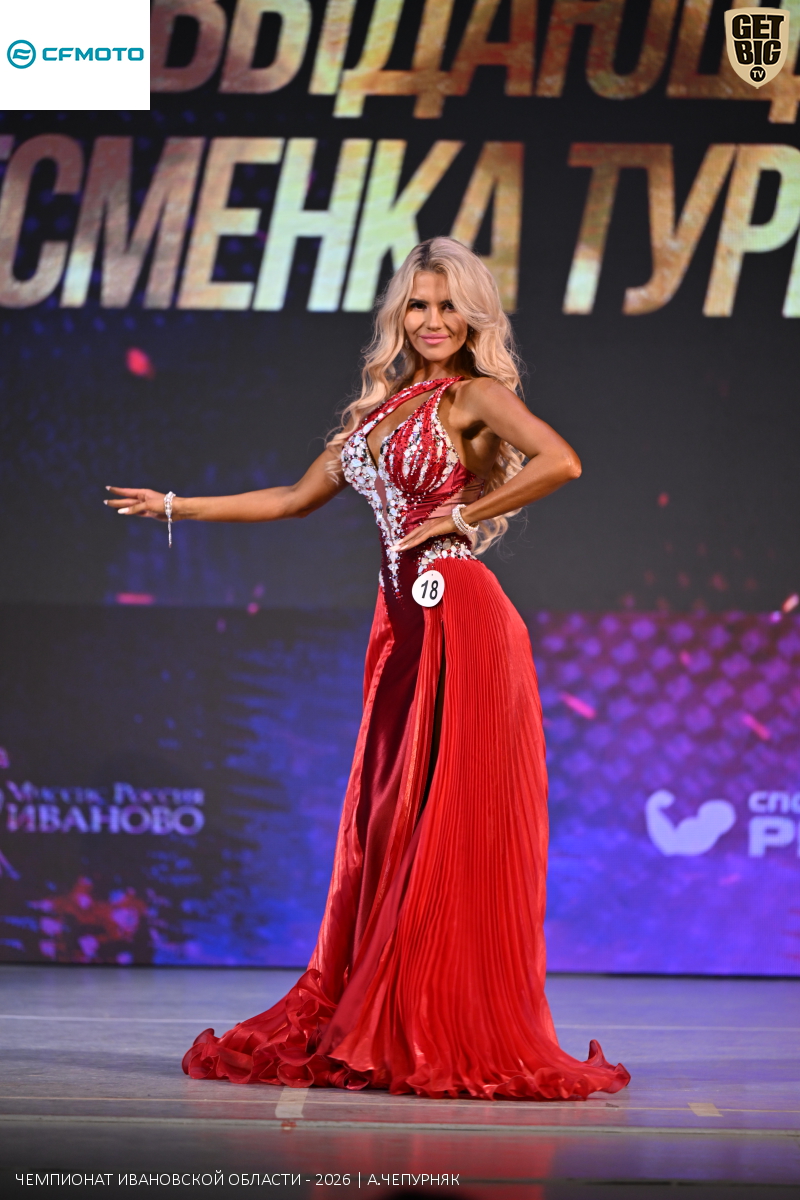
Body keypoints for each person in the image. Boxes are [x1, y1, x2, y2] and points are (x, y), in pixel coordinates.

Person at [105, 238, 630, 1101]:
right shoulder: (380, 413)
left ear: (473, 316)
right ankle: (389, 1012)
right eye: (418, 304)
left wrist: (461, 514)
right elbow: (292, 499)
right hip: (404, 626)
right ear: (399, 314)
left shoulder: (474, 395)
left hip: (459, 613)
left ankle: (436, 1021)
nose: (432, 320)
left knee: (446, 822)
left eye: (448, 305)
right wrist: (175, 506)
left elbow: (561, 461)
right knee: (389, 826)